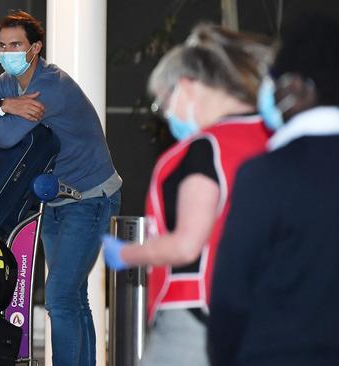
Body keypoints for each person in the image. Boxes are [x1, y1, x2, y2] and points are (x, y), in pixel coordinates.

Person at [102, 24, 271, 365]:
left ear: (187, 87)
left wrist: (128, 254)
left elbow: (187, 243)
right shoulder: (272, 138)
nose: (167, 117)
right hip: (262, 315)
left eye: (163, 104)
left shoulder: (204, 149)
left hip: (194, 316)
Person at [0, 10, 121, 365]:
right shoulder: (6, 85)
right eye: (2, 46)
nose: (7, 52)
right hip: (53, 200)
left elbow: (3, 138)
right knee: (74, 297)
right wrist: (5, 105)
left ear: (35, 48)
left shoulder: (51, 85)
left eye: (16, 45)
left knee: (60, 298)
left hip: (91, 198)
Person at [207, 15, 339, 366]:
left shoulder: (264, 175)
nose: (271, 91)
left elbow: (231, 294)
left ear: (298, 87)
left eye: (275, 80)